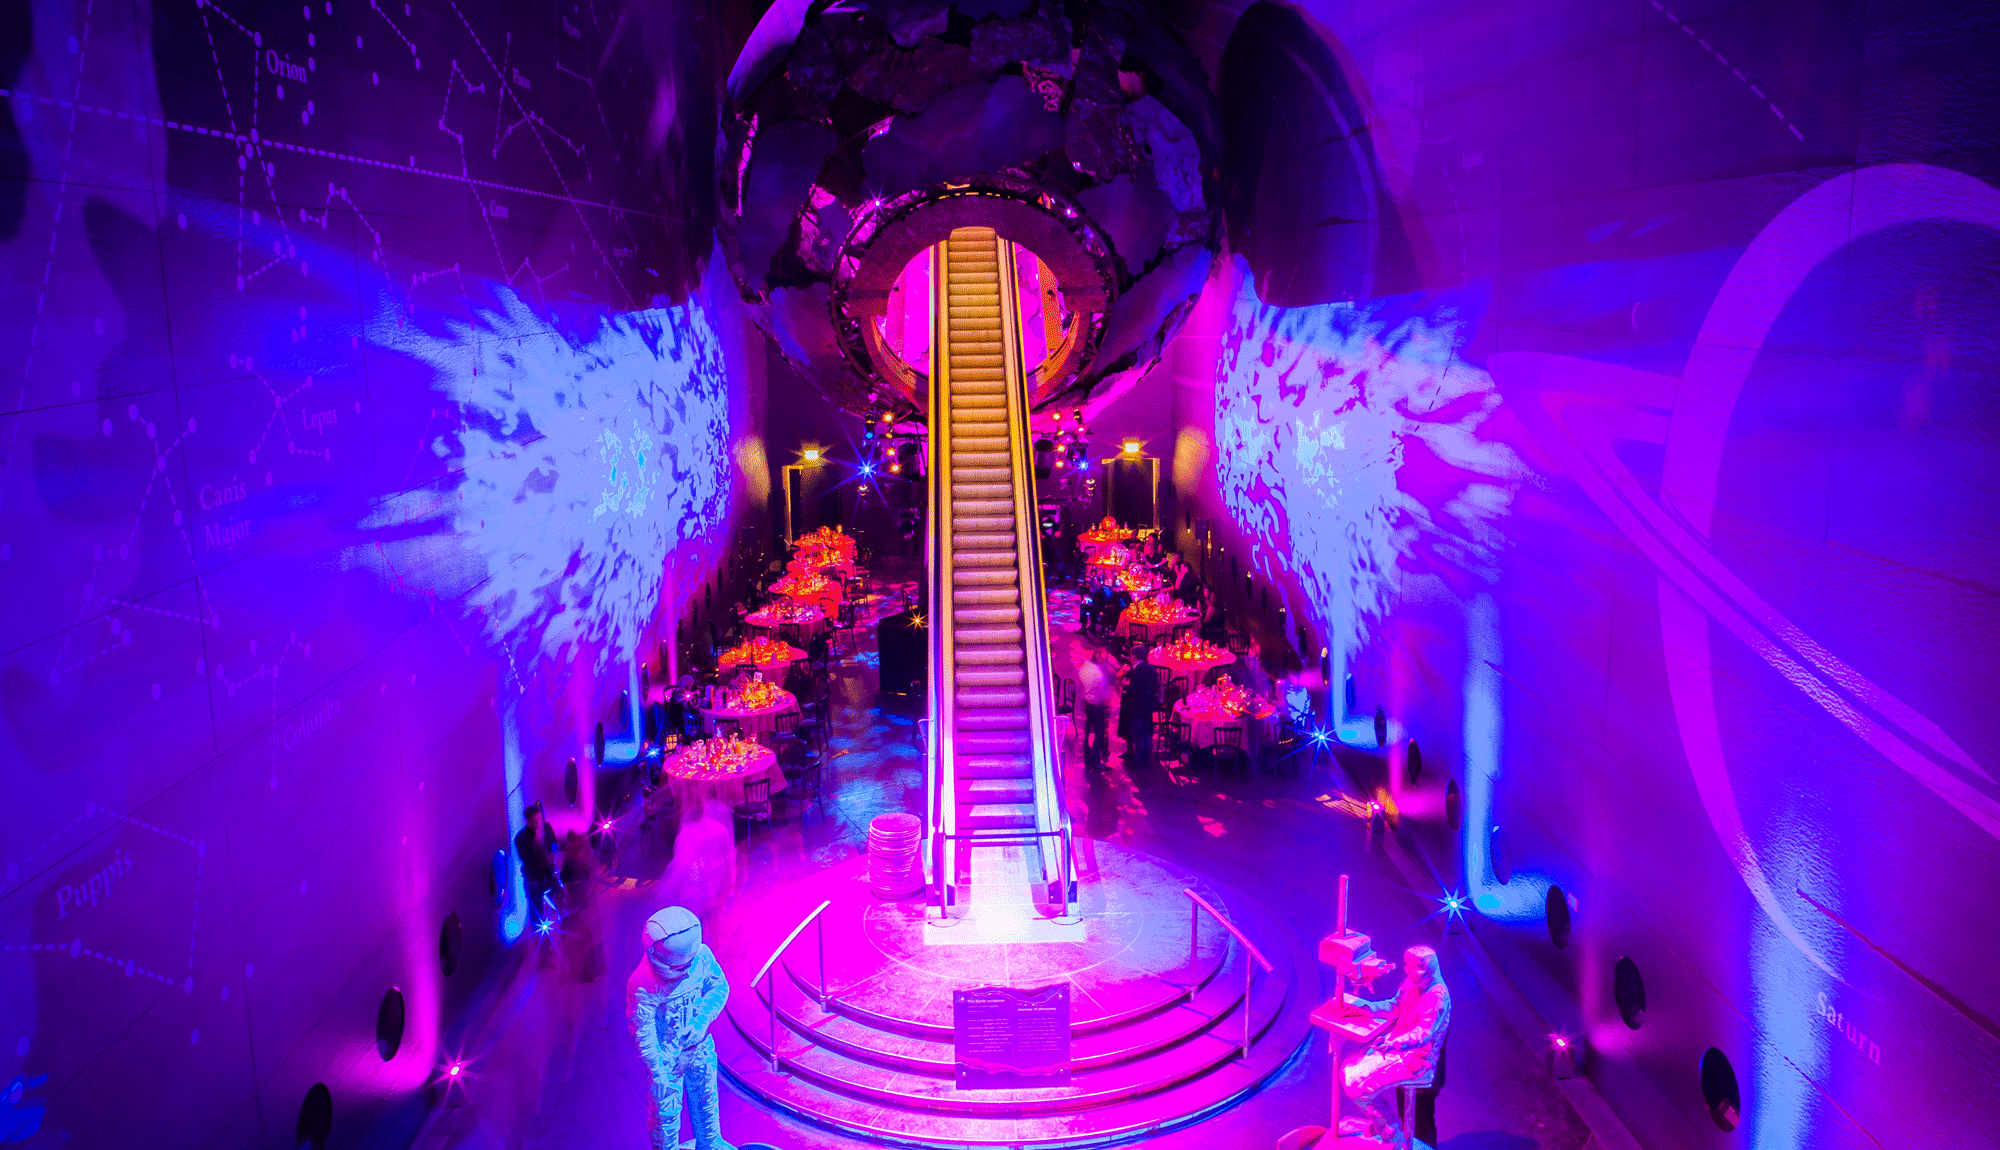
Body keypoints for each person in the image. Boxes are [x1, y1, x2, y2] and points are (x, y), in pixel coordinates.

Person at [626, 907, 735, 1150]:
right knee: (665, 1117)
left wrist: (701, 1020)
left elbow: (719, 987)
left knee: (706, 1099)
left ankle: (710, 1143)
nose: (685, 972)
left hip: (699, 1045)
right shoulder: (643, 982)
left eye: (688, 965)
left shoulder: (701, 957)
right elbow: (643, 1031)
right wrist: (657, 1070)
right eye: (679, 968)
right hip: (666, 1058)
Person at [1341, 945, 1450, 1143]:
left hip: (1416, 1060)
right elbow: (1395, 1006)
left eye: (1417, 968)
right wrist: (1366, 1008)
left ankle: (1389, 1129)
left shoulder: (1436, 997)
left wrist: (1394, 1044)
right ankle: (1385, 1122)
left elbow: (1422, 1034)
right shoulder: (1412, 983)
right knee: (1348, 1070)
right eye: (1408, 966)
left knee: (1356, 1084)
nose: (1410, 972)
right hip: (1398, 1050)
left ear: (1431, 970)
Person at [514, 803, 558, 928]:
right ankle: (540, 936)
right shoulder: (521, 838)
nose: (538, 823)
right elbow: (525, 859)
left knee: (559, 895)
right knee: (536, 913)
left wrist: (555, 855)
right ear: (527, 821)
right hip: (534, 879)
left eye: (539, 819)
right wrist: (536, 841)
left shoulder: (547, 827)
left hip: (550, 873)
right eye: (534, 821)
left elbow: (554, 843)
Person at [1074, 645, 1117, 773]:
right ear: (1098, 655)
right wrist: (1107, 699)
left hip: (1087, 703)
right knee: (1099, 733)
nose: (1106, 660)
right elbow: (1102, 691)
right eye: (1104, 657)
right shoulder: (1098, 672)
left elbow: (1081, 684)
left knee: (1088, 732)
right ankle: (1096, 761)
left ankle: (1088, 758)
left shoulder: (1086, 666)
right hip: (1096, 705)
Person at [1121, 643, 1161, 770]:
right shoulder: (1150, 668)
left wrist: (1125, 686)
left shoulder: (1136, 671)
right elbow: (1157, 685)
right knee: (1147, 734)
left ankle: (1138, 762)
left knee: (1138, 735)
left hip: (1136, 707)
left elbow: (1133, 690)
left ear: (1134, 656)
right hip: (1148, 707)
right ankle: (1147, 760)